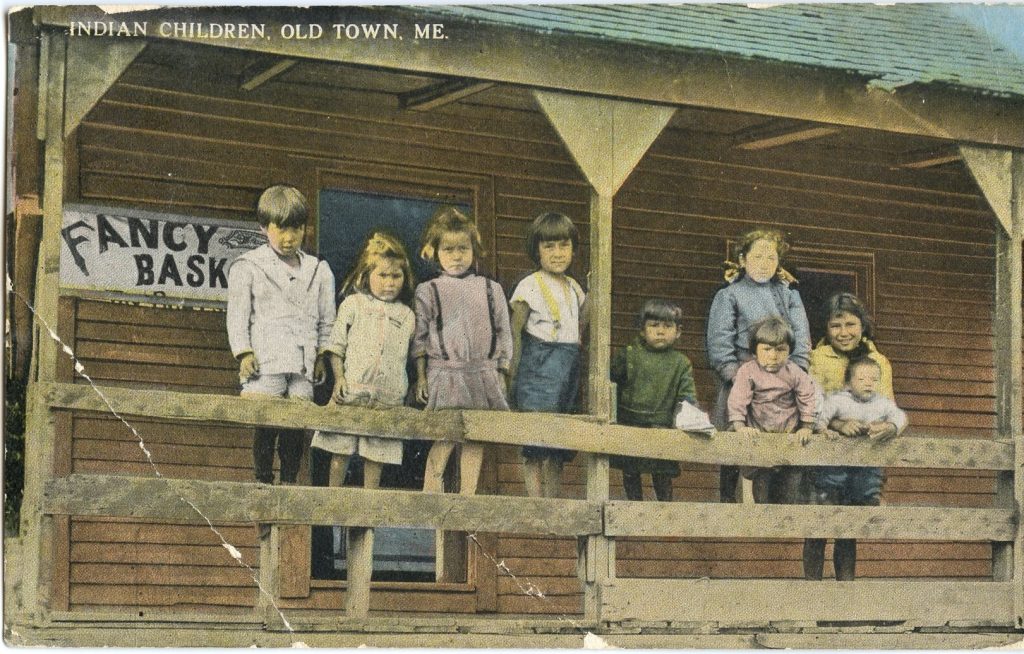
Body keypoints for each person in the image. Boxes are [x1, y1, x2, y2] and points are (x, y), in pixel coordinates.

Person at [226, 184, 335, 491]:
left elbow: (326, 319)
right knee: (267, 418)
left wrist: (321, 357)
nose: (289, 238)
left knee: (295, 422)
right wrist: (244, 353)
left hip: (303, 360)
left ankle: (289, 479)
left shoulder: (318, 270)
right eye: (281, 229)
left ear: (305, 229)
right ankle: (263, 478)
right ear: (265, 227)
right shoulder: (249, 266)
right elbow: (237, 316)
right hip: (267, 358)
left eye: (296, 230)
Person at [414, 206, 513, 496]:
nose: (456, 256)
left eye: (463, 248)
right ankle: (429, 496)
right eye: (448, 249)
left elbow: (504, 331)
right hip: (445, 375)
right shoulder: (428, 289)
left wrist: (503, 370)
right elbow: (420, 337)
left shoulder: (490, 288)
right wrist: (421, 377)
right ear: (434, 251)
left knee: (475, 437)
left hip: (482, 375)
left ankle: (467, 497)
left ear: (473, 250)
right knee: (443, 436)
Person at [707, 228, 811, 502]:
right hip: (741, 380)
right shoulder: (730, 295)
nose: (764, 263)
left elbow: (801, 339)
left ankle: (775, 510)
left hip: (783, 382)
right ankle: (730, 506)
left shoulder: (789, 295)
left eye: (771, 257)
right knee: (736, 444)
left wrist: (793, 375)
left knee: (781, 446)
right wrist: (740, 377)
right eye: (757, 256)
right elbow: (720, 344)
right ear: (742, 259)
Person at [311, 232, 416, 490]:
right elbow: (336, 346)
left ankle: (367, 513)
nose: (390, 283)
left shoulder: (407, 315)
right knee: (340, 450)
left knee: (376, 456)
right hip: (353, 392)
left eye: (396, 276)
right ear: (366, 274)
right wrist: (340, 379)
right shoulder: (353, 304)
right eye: (382, 275)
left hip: (387, 399)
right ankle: (333, 502)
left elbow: (413, 355)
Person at [509, 212, 586, 498]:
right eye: (549, 246)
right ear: (536, 249)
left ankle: (552, 501)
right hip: (538, 368)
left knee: (558, 441)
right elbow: (515, 332)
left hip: (567, 367)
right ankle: (535, 500)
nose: (557, 254)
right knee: (534, 440)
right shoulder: (529, 285)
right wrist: (512, 375)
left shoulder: (573, 286)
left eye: (564, 246)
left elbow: (583, 323)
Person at [809, 357, 907, 580]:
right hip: (833, 472)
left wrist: (890, 426)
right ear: (849, 382)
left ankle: (846, 588)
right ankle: (811, 587)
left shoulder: (881, 404)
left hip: (859, 475)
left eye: (873, 379)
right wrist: (834, 427)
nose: (868, 383)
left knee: (848, 530)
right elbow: (819, 418)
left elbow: (900, 416)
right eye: (861, 378)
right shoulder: (839, 401)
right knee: (819, 528)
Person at [610, 299, 699, 502]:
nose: (660, 332)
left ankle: (664, 516)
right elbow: (611, 380)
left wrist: (687, 415)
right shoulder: (629, 355)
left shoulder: (681, 363)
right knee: (631, 472)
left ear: (678, 332)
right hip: (630, 424)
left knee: (662, 474)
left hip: (663, 426)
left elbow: (687, 395)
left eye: (667, 326)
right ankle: (634, 511)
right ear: (642, 330)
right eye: (654, 326)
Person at [727, 316, 817, 504]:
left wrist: (807, 425)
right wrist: (739, 425)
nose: (773, 356)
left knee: (789, 486)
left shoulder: (794, 372)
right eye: (767, 349)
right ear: (755, 350)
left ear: (789, 351)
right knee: (760, 485)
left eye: (780, 350)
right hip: (759, 433)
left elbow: (807, 396)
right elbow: (738, 399)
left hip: (788, 433)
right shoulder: (748, 371)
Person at [809, 292, 894, 398]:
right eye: (835, 326)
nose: (843, 333)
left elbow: (887, 405)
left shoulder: (879, 361)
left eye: (850, 325)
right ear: (826, 329)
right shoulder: (816, 359)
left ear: (862, 326)